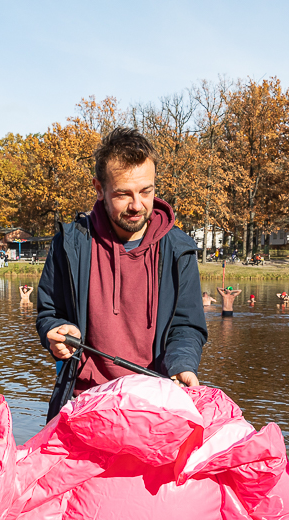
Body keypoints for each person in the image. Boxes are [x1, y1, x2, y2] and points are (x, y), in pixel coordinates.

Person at [35, 127, 207, 421]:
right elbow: (49, 313)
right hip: (83, 404)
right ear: (99, 189)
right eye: (123, 194)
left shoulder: (180, 249)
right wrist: (57, 332)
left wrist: (182, 364)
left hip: (155, 406)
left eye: (146, 191)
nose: (137, 205)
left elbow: (187, 326)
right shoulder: (69, 243)